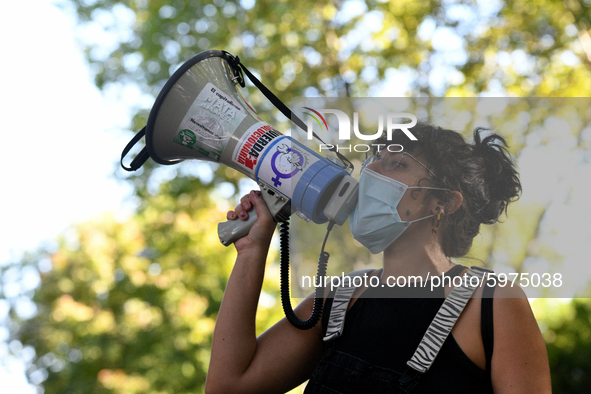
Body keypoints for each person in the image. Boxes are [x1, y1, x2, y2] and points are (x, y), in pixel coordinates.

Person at [205, 123, 552, 393]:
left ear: (442, 203)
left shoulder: (491, 303)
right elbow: (229, 386)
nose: (370, 174)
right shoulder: (339, 298)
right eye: (374, 161)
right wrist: (252, 252)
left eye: (397, 163)